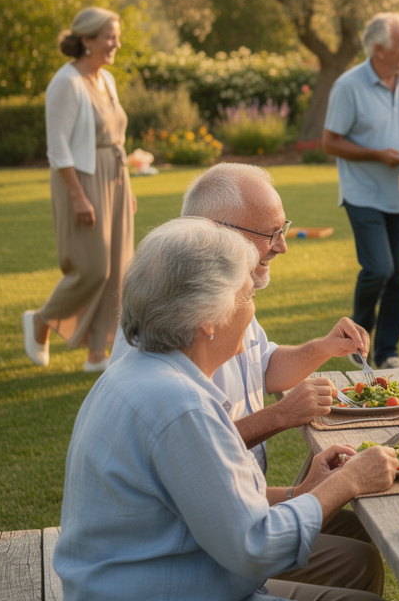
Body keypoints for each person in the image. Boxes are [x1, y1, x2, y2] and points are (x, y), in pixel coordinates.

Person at [55, 218, 399, 601]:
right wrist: (348, 481)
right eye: (247, 296)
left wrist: (302, 491)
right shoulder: (181, 406)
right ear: (209, 319)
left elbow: (216, 505)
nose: (252, 312)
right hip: (169, 590)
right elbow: (255, 548)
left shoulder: (142, 373)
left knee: (356, 564)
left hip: (160, 576)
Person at [108, 163, 376, 592]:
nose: (283, 246)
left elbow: (260, 365)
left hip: (216, 512)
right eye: (272, 233)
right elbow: (244, 536)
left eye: (283, 229)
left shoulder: (196, 310)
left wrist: (324, 348)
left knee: (360, 537)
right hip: (181, 564)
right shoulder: (174, 375)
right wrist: (287, 423)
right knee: (355, 556)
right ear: (218, 231)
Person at [322, 13, 399, 369]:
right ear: (378, 49)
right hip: (364, 193)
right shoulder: (348, 86)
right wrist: (378, 155)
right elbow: (330, 142)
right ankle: (356, 339)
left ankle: (388, 352)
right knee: (378, 269)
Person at [24, 7, 136, 372]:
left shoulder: (107, 80)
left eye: (117, 36)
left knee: (117, 268)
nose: (116, 43)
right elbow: (57, 147)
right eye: (110, 37)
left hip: (115, 176)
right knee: (92, 268)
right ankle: (42, 320)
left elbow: (115, 136)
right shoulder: (66, 83)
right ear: (87, 40)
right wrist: (77, 195)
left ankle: (97, 354)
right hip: (81, 178)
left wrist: (126, 189)